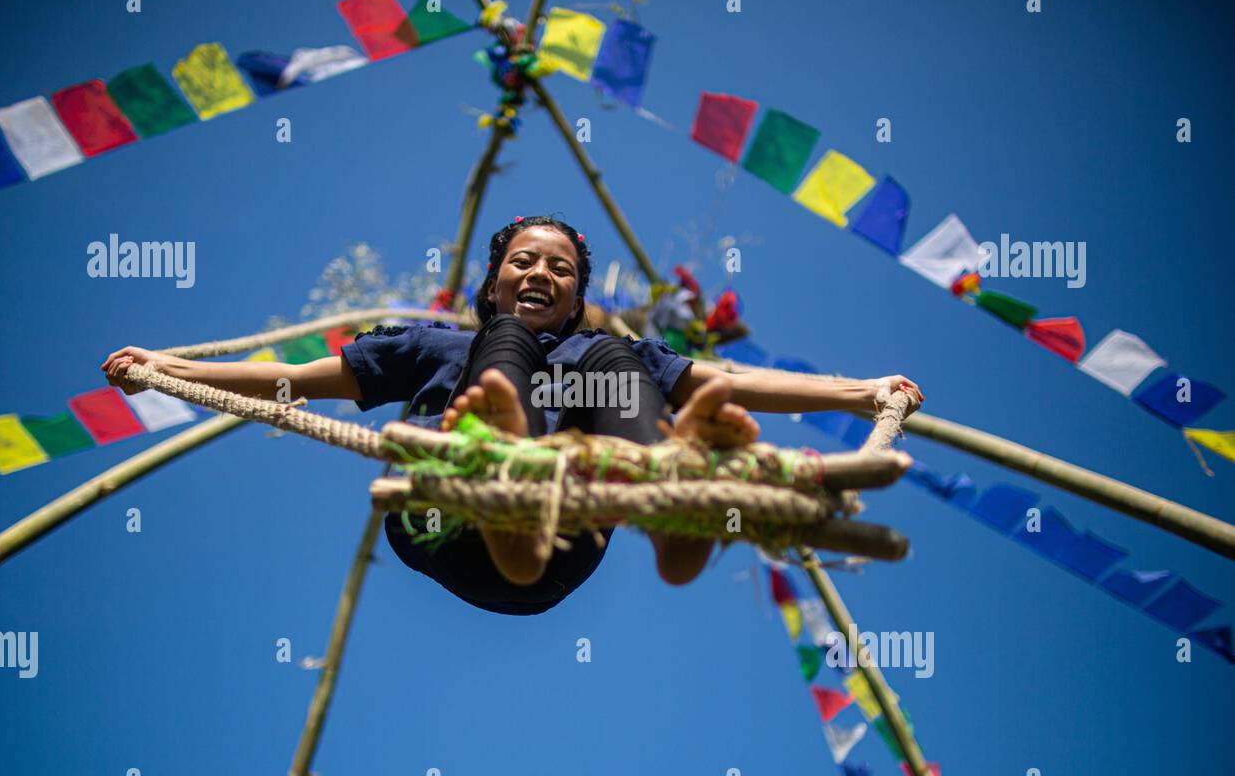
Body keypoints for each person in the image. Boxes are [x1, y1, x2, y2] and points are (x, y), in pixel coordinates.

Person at [103, 215, 923, 616]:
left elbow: (733, 382)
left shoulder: (607, 353)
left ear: (577, 293)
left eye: (560, 269)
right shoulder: (431, 348)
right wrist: (168, 369)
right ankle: (498, 468)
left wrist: (860, 395)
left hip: (564, 542)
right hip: (442, 515)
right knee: (508, 357)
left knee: (620, 363)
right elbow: (291, 380)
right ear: (494, 278)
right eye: (523, 261)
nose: (540, 274)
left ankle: (675, 508)